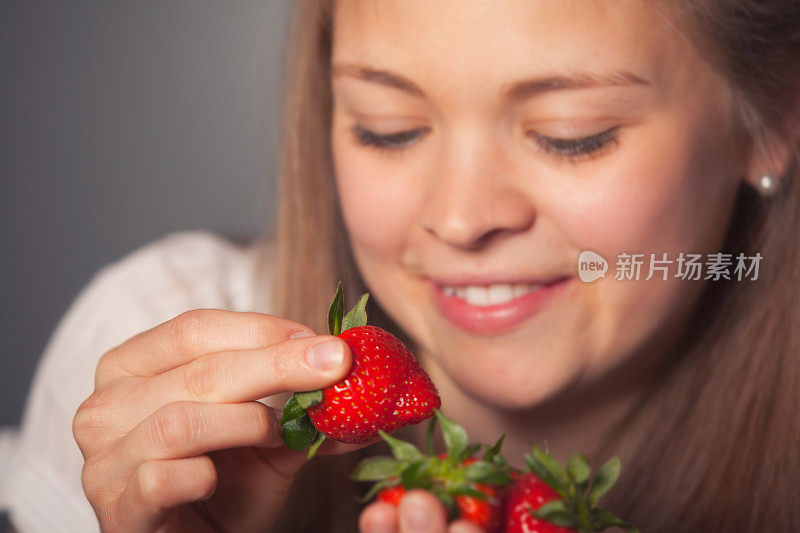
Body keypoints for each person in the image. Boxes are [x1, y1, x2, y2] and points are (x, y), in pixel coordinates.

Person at [3, 1, 799, 531]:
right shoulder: (159, 348)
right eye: (389, 129)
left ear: (772, 120)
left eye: (570, 133)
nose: (459, 218)